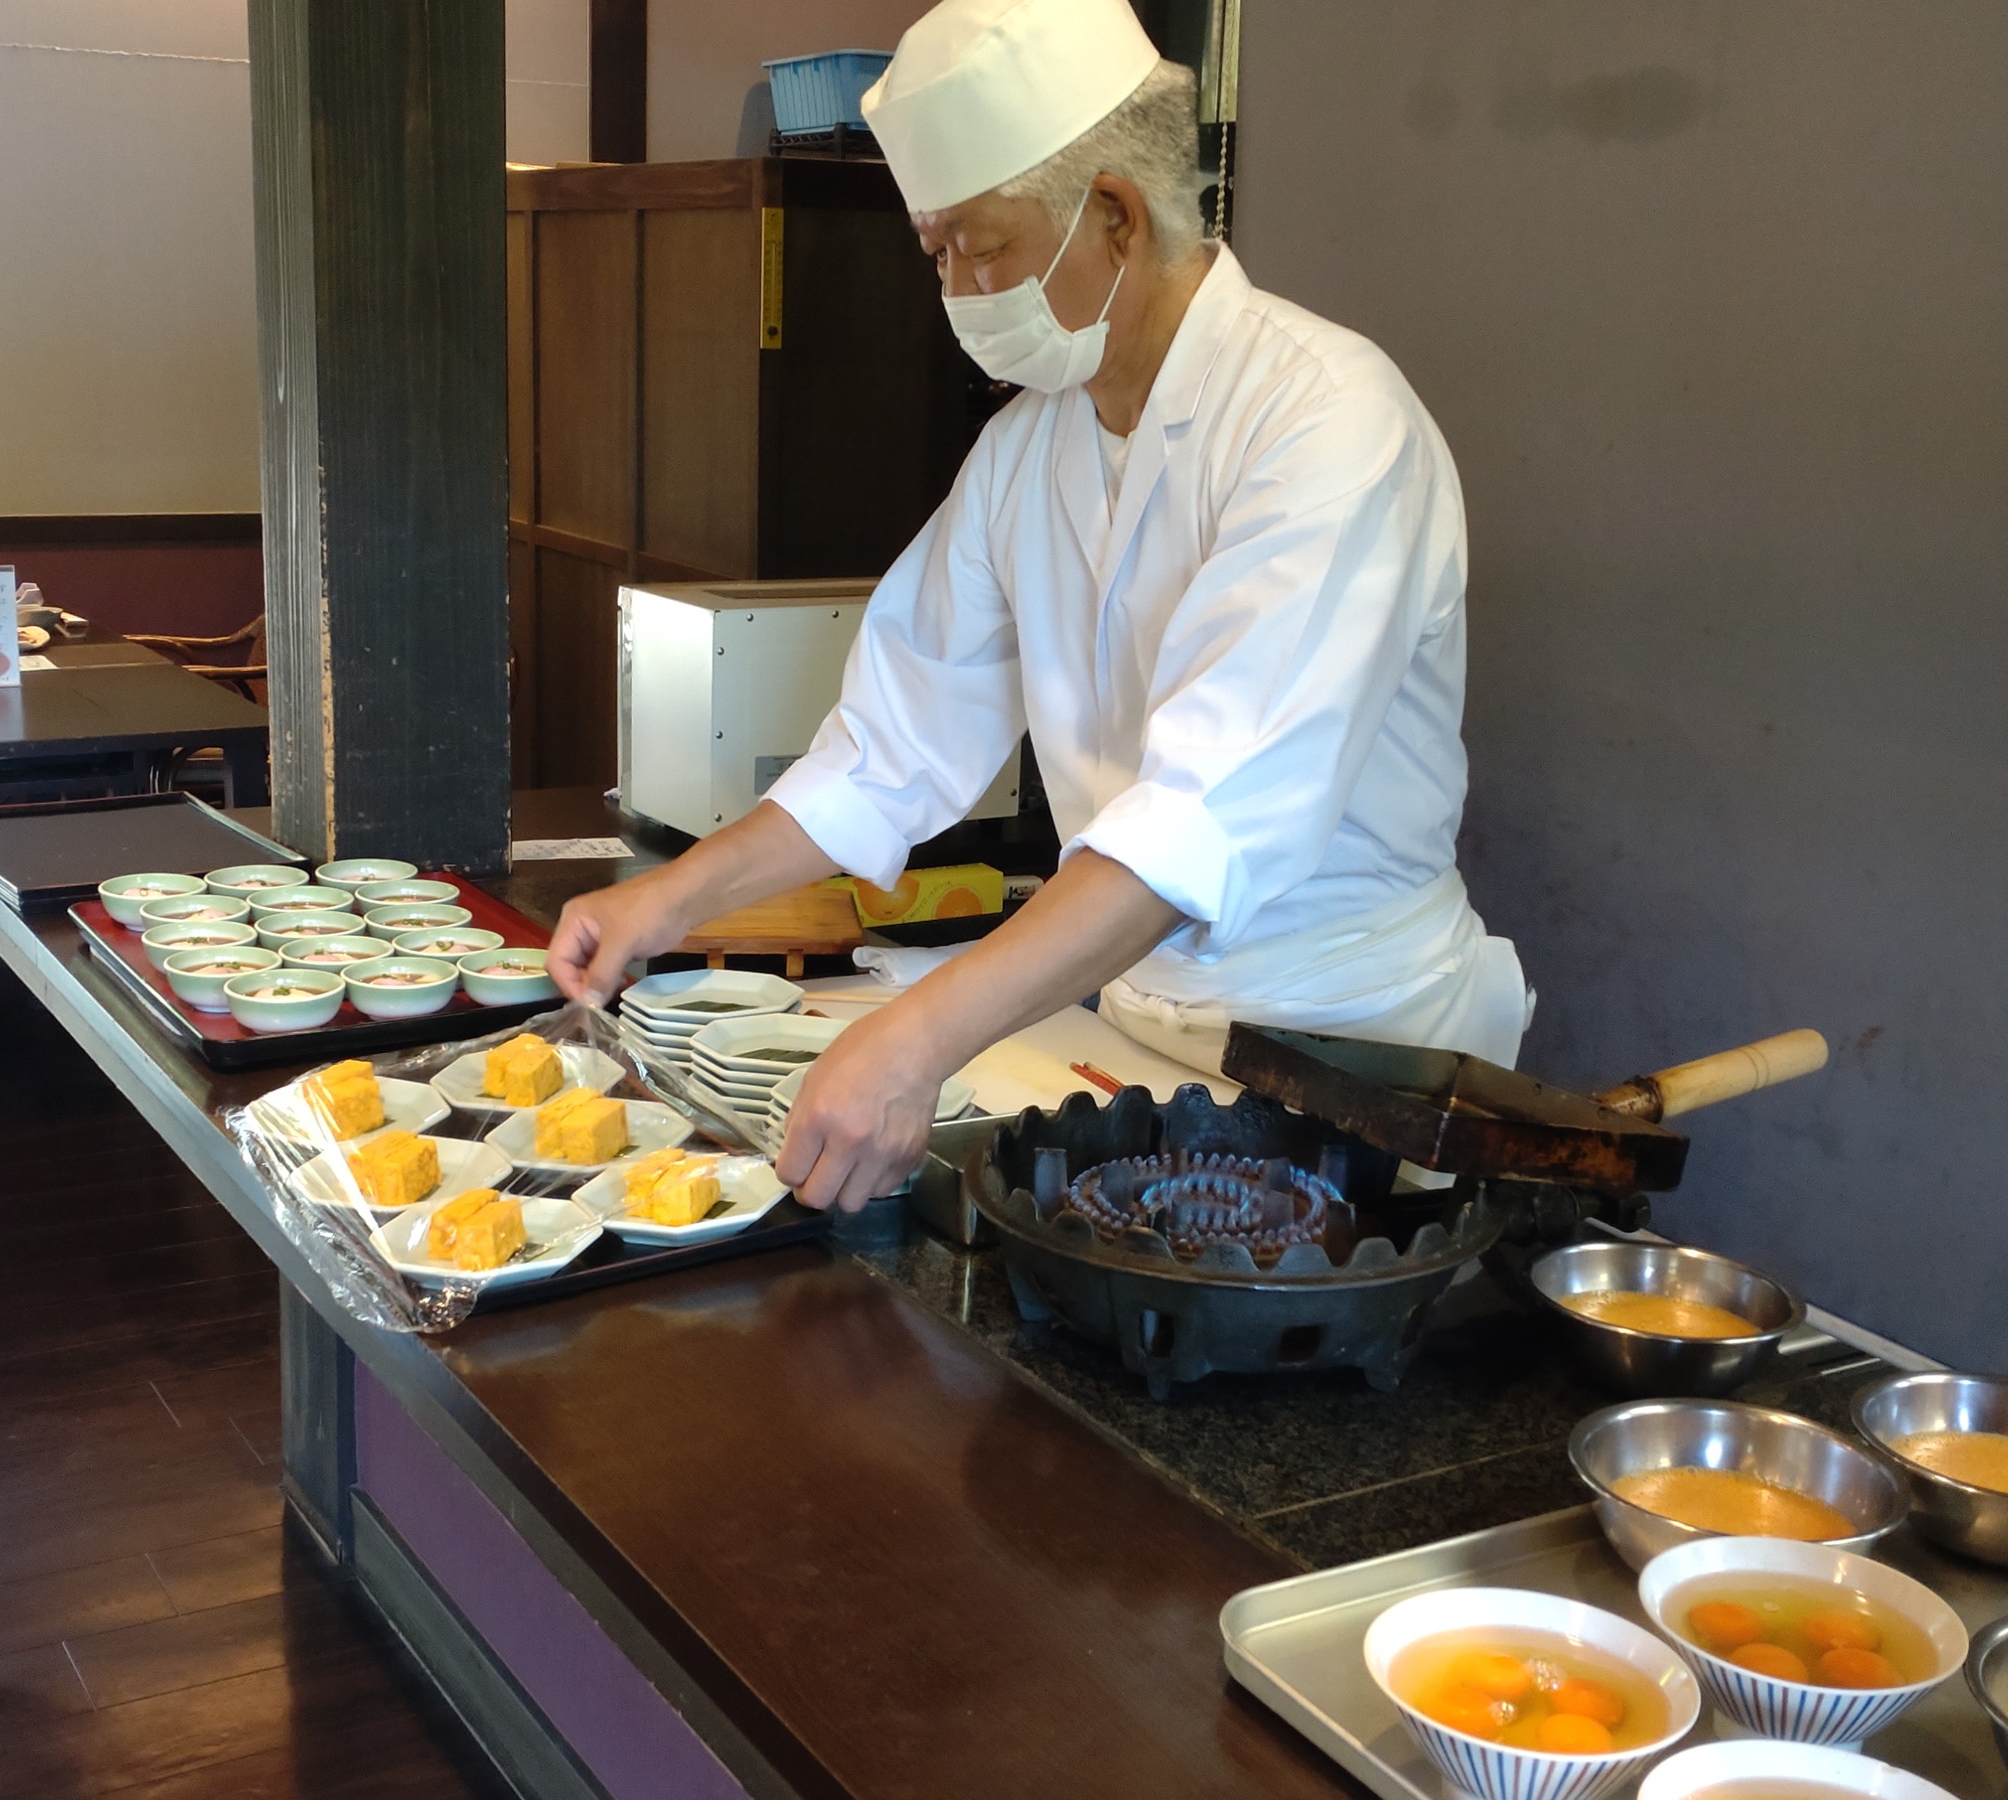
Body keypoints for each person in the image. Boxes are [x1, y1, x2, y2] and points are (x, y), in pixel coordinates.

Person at [545, 0, 1527, 1210]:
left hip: (1353, 1058)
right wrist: (667, 899)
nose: (954, 287)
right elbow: (889, 749)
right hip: (1136, 1033)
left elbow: (1193, 830)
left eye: (980, 244)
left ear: (1113, 213)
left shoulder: (1326, 421)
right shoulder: (1029, 449)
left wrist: (912, 1038)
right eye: (933, 252)